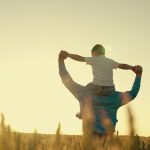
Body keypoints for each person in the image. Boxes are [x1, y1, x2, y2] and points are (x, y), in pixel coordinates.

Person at [58, 50, 142, 137]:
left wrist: (61, 61)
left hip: (89, 140)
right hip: (108, 140)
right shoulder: (116, 98)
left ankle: (81, 114)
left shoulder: (84, 94)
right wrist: (138, 75)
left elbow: (67, 81)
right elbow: (133, 93)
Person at [61, 44, 134, 118]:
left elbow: (80, 58)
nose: (92, 56)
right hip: (110, 89)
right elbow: (122, 65)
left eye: (92, 54)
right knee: (91, 85)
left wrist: (68, 55)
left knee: (83, 93)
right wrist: (132, 67)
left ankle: (82, 112)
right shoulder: (110, 61)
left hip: (97, 88)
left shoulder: (94, 59)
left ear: (95, 52)